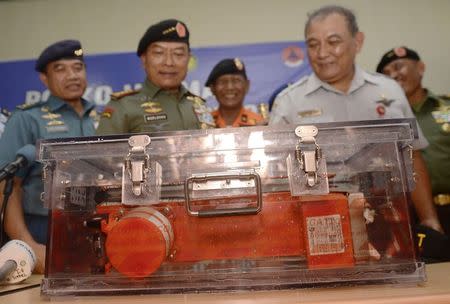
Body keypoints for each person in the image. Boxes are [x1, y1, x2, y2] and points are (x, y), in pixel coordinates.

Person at [269, 5, 443, 235]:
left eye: (333, 42)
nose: (322, 53)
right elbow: (275, 176)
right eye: (313, 44)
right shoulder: (289, 103)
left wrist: (429, 219)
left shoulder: (388, 91)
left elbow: (413, 157)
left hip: (389, 221)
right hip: (320, 225)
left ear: (357, 42)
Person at [0, 40, 96, 273]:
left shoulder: (99, 119)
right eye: (60, 69)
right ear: (44, 78)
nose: (72, 75)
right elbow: (7, 187)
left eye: (77, 67)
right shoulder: (26, 119)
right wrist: (28, 245)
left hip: (90, 229)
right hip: (40, 229)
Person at [377, 46, 450, 235]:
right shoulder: (384, 118)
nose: (393, 75)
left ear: (421, 67)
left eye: (398, 67)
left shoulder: (446, 108)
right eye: (386, 74)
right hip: (410, 215)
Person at [96, 19, 214, 134]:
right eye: (159, 53)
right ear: (144, 59)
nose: (169, 62)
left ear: (188, 59)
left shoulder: (198, 105)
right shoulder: (123, 106)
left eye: (178, 54)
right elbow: (103, 153)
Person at [205, 58, 265, 127]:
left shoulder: (258, 124)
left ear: (247, 85)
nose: (229, 87)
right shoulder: (204, 124)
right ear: (212, 88)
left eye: (236, 81)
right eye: (222, 82)